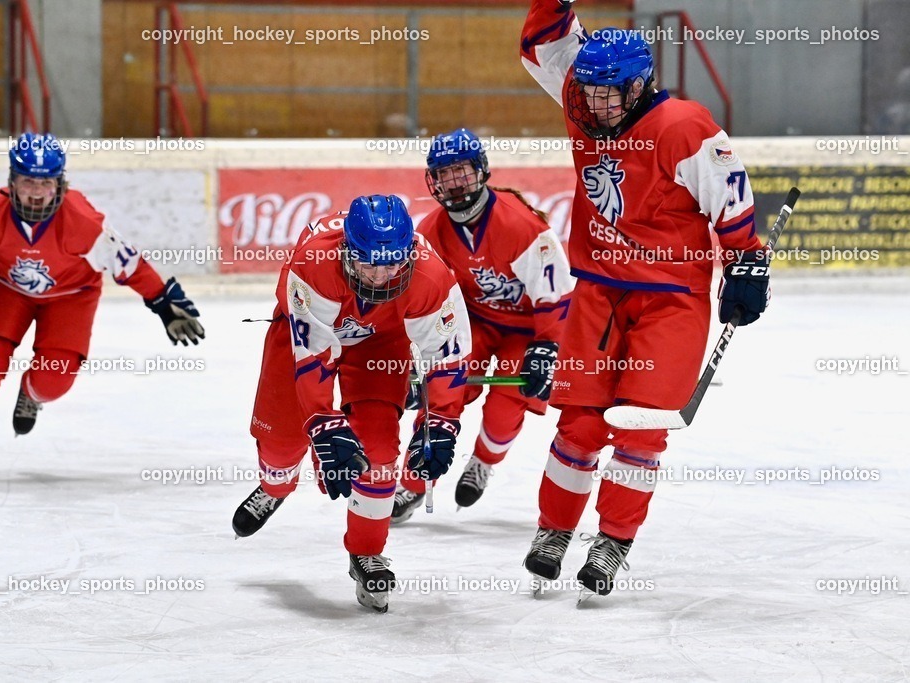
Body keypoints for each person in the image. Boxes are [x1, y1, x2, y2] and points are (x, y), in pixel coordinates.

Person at [518, 1, 771, 596]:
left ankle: (612, 543)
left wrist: (746, 267)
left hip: (671, 301)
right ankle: (554, 531)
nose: (598, 103)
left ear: (639, 85)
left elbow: (731, 204)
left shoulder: (685, 126)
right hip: (599, 294)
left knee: (639, 428)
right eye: (591, 91)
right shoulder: (581, 98)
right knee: (578, 426)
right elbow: (542, 44)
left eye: (611, 93)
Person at [0, 132, 204, 478]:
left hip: (71, 298)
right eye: (27, 180)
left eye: (45, 182)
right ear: (11, 181)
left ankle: (30, 393)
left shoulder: (84, 223)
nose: (35, 190)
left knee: (53, 382)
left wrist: (164, 303)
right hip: (7, 291)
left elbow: (130, 263)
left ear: (59, 183)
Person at [231, 194, 471, 613]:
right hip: (306, 335)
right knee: (283, 444)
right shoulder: (313, 264)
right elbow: (314, 357)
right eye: (368, 264)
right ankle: (276, 486)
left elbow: (447, 357)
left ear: (409, 252)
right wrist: (324, 424)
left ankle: (366, 551)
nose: (380, 277)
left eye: (392, 264)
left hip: (380, 343)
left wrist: (443, 424)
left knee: (379, 454)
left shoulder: (433, 277)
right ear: (347, 251)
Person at [390, 127, 574, 523]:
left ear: (482, 171)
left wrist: (548, 348)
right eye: (444, 174)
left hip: (526, 331)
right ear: (432, 181)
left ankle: (484, 461)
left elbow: (555, 296)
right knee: (441, 394)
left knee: (507, 405)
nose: (455, 183)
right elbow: (417, 301)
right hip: (471, 324)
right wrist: (412, 357)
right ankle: (414, 480)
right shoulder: (429, 233)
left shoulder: (523, 227)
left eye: (463, 172)